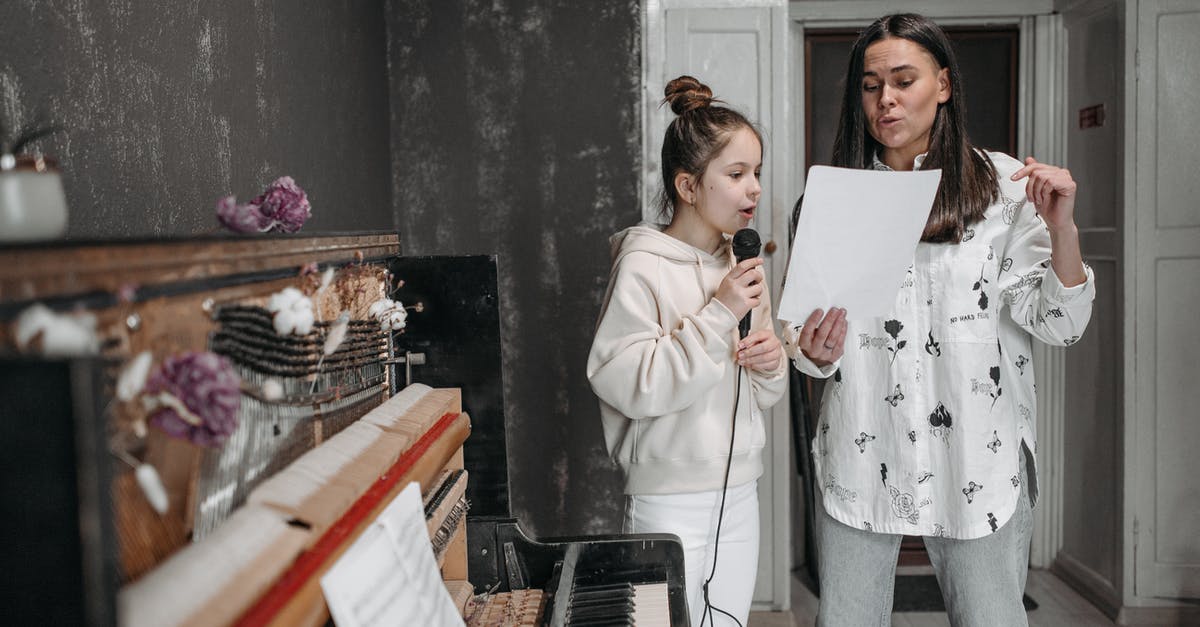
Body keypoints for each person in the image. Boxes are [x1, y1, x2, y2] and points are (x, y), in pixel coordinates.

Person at [781, 13, 1096, 626]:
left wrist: (1062, 230)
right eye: (871, 85)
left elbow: (1062, 325)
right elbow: (802, 338)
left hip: (980, 452)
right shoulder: (832, 199)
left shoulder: (1007, 188)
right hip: (862, 448)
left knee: (990, 618)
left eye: (904, 80)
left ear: (944, 85)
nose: (886, 99)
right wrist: (813, 351)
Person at [587, 75, 787, 626]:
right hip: (666, 501)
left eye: (757, 174)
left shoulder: (743, 267)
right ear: (688, 185)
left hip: (741, 492)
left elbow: (763, 391)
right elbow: (626, 381)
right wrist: (718, 314)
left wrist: (771, 364)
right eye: (737, 174)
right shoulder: (642, 264)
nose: (754, 190)